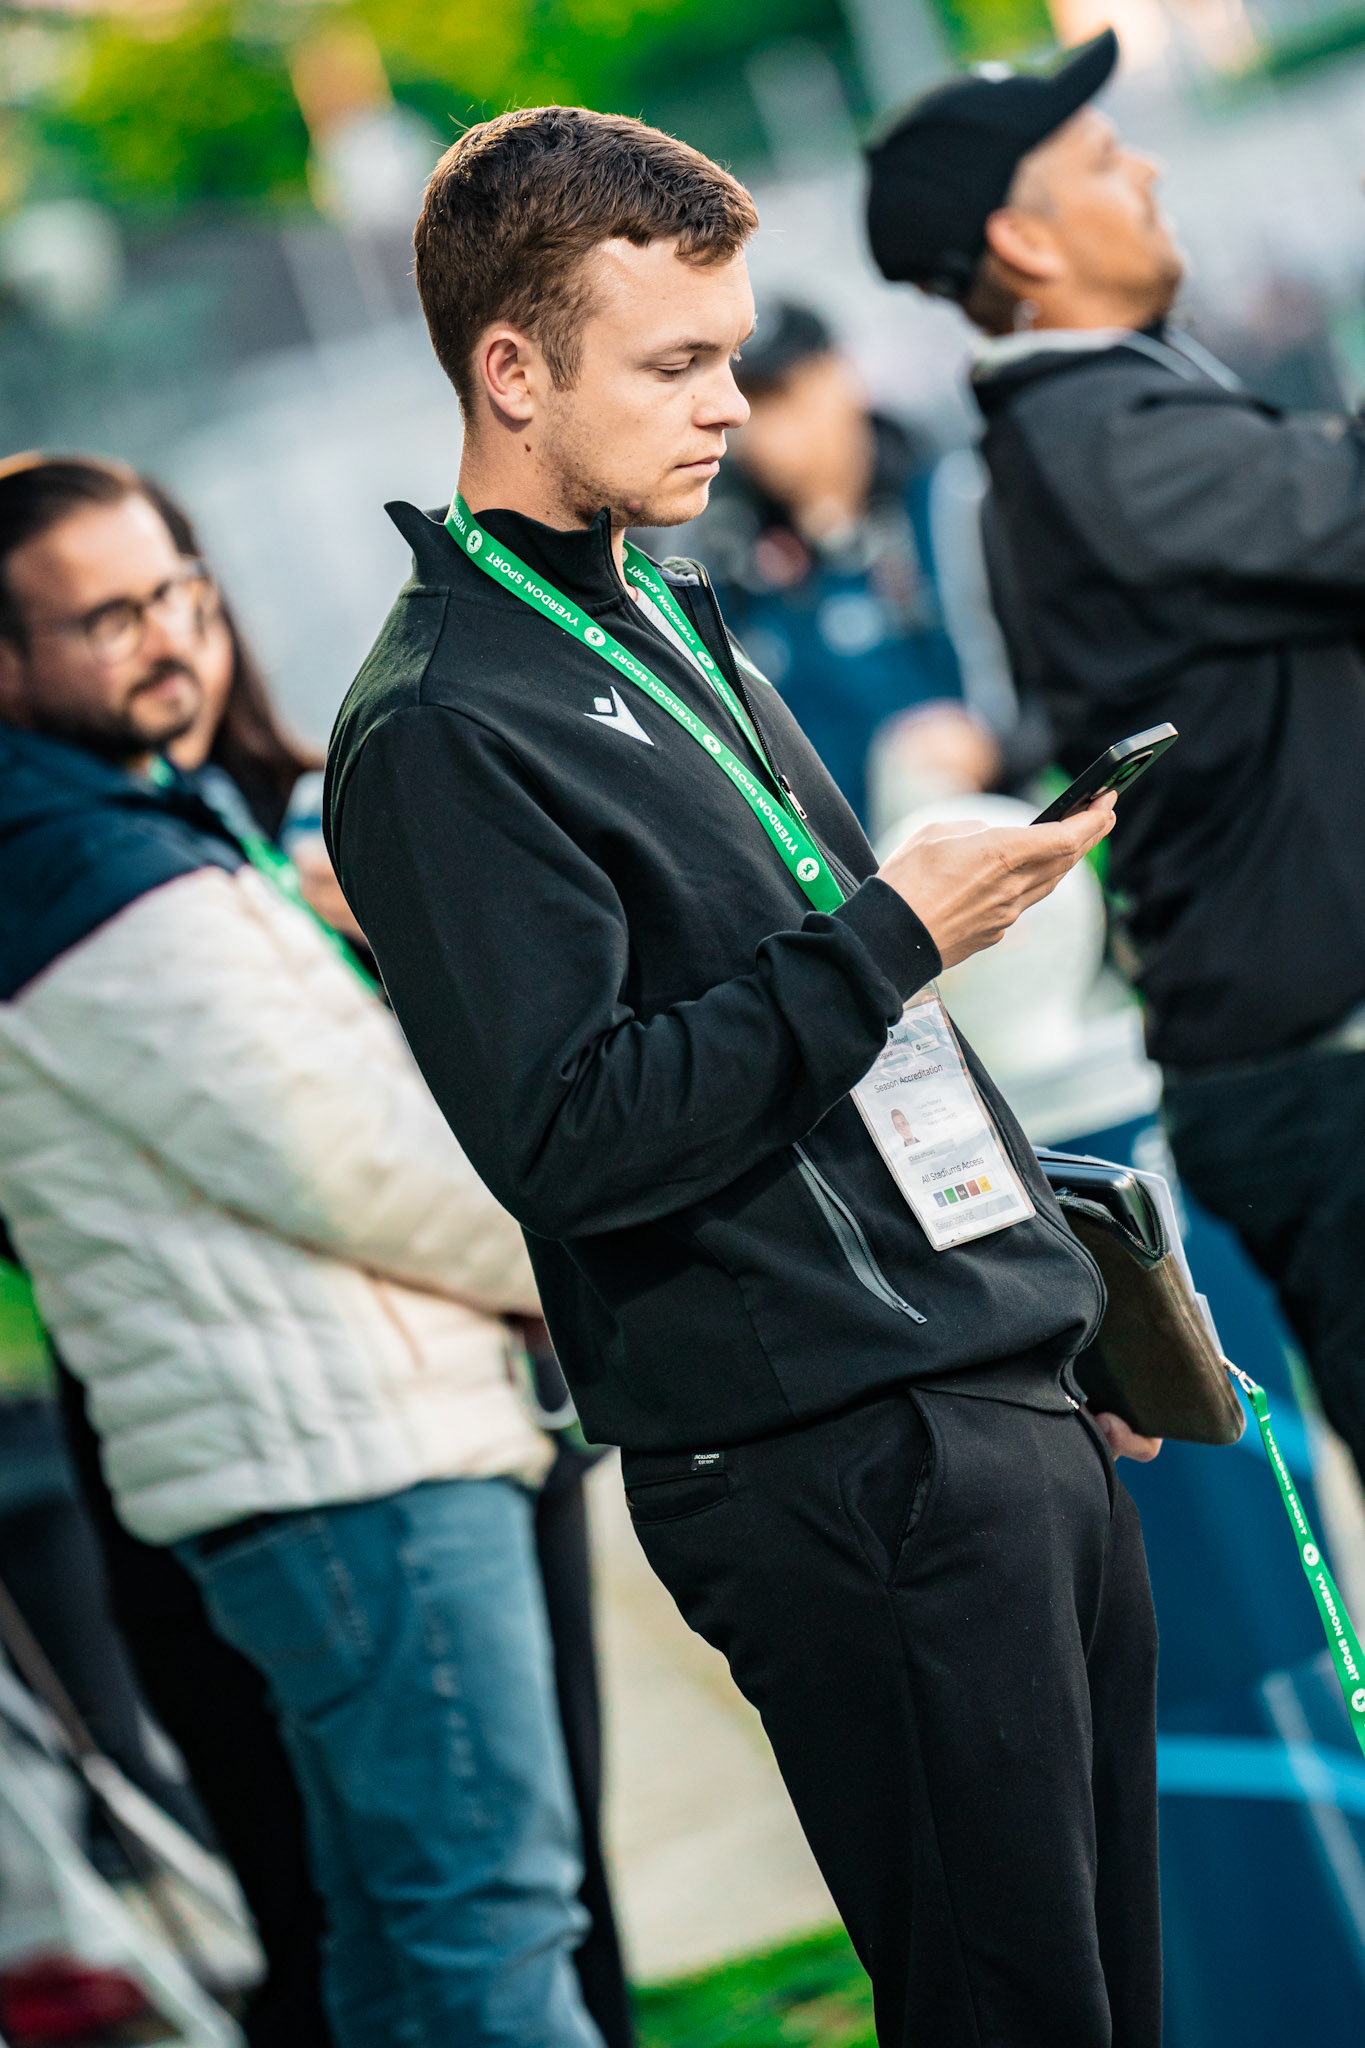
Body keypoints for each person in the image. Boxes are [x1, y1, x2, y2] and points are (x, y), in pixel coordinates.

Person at [326, 104, 1162, 2048]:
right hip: (842, 1460)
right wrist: (892, 933)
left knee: (1118, 1997)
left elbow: (855, 1025)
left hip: (994, 1389)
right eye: (674, 362)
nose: (729, 401)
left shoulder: (667, 613)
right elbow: (571, 1129)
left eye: (730, 351)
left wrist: (1054, 1298)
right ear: (512, 371)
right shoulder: (441, 721)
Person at [0, 457, 606, 2048]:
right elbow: (358, 1167)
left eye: (177, 591)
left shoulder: (124, 827)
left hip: (336, 1454)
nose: (169, 635)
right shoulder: (75, 871)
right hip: (353, 1468)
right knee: (490, 1937)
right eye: (109, 616)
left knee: (409, 1954)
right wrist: (593, 1258)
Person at [865, 30, 1365, 1492]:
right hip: (1323, 1080)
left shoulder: (1096, 422)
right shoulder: (1100, 437)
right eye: (1097, 159)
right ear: (1025, 241)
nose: (1142, 166)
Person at [687, 298, 991, 823]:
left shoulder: (953, 503)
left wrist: (993, 745)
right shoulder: (718, 548)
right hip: (811, 855)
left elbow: (1052, 686)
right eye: (750, 402)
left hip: (970, 821)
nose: (765, 432)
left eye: (783, 396)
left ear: (840, 376)